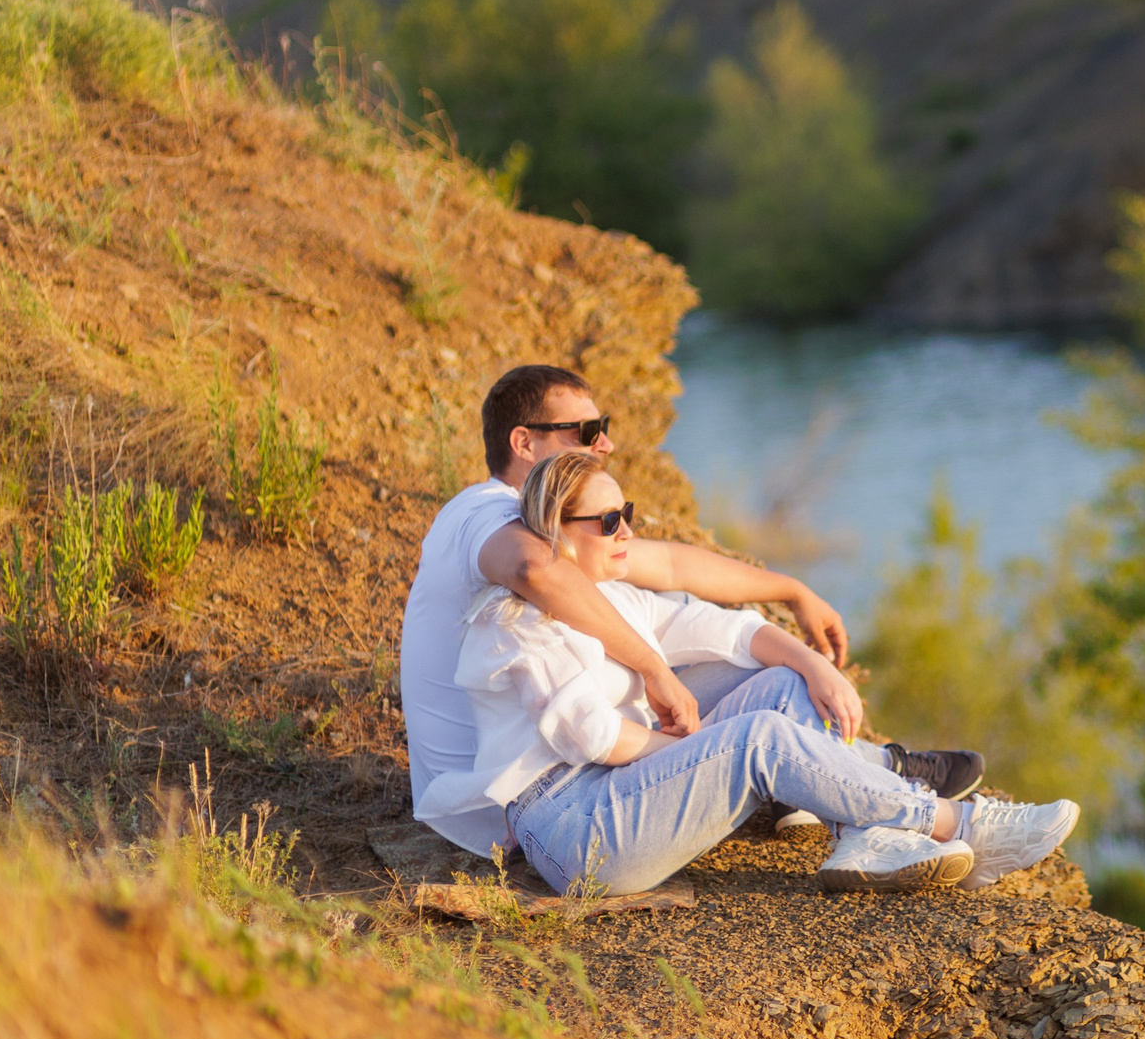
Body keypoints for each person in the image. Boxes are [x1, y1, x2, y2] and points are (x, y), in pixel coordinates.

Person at [415, 451, 1080, 895]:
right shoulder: (513, 621)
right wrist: (694, 747)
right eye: (609, 520)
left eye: (630, 515)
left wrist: (813, 661)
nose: (626, 532)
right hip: (569, 828)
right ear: (556, 532)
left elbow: (726, 630)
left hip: (614, 790)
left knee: (783, 686)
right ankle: (958, 825)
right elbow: (590, 736)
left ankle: (866, 836)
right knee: (756, 735)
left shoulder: (616, 597)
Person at [400, 364, 979, 857]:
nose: (604, 443)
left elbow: (673, 566)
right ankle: (877, 777)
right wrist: (654, 672)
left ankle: (842, 787)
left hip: (556, 759)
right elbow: (535, 571)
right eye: (587, 430)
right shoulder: (483, 509)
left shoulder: (555, 522)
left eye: (604, 430)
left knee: (767, 670)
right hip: (515, 795)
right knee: (719, 687)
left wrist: (791, 591)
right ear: (524, 444)